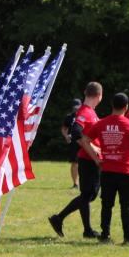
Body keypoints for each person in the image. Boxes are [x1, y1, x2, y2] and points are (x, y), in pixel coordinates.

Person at [80, 92, 129, 244]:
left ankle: (105, 235)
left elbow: (85, 140)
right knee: (126, 205)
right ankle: (128, 236)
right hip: (126, 171)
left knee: (106, 205)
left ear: (111, 105)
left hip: (107, 170)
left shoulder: (101, 123)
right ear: (126, 107)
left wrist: (96, 159)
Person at [49, 82, 103, 238]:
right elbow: (76, 132)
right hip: (88, 159)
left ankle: (85, 229)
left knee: (88, 195)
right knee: (88, 195)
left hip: (89, 159)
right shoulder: (85, 112)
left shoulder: (89, 111)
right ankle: (60, 219)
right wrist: (93, 148)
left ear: (85, 92)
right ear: (99, 96)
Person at [61, 98, 82, 188]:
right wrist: (66, 136)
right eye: (75, 107)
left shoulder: (85, 116)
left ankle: (84, 182)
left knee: (85, 164)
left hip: (83, 141)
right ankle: (75, 183)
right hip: (73, 142)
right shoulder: (69, 117)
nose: (76, 109)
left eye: (78, 107)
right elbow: (64, 128)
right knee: (74, 163)